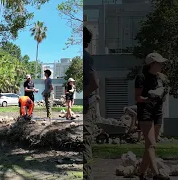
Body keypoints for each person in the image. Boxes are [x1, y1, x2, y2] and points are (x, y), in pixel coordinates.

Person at [135, 52, 170, 180]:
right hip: (146, 112)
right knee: (151, 145)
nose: (162, 65)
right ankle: (156, 175)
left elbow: (163, 93)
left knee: (150, 146)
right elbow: (137, 98)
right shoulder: (141, 77)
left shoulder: (160, 78)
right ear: (152, 64)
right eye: (160, 63)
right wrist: (149, 98)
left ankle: (141, 174)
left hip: (157, 112)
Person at [83, 26, 100, 180]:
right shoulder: (85, 57)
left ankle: (87, 176)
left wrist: (84, 97)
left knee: (85, 142)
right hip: (88, 103)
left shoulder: (86, 58)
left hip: (88, 105)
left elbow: (95, 83)